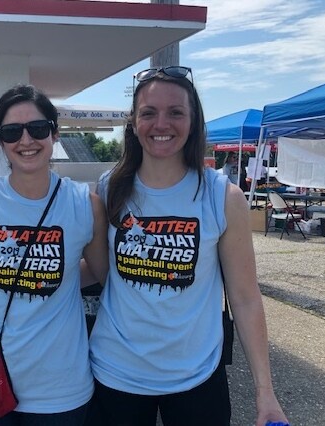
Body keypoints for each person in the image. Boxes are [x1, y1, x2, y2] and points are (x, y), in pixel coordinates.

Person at [88, 66, 289, 425]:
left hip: (198, 377)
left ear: (194, 121)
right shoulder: (108, 187)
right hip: (115, 374)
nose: (161, 124)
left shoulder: (222, 197)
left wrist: (266, 392)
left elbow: (245, 298)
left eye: (175, 112)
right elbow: (101, 271)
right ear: (133, 123)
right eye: (148, 113)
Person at [0, 84, 109, 425]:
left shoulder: (84, 206)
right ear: (0, 140)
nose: (26, 141)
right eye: (12, 132)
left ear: (54, 133)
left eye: (37, 129)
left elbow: (105, 275)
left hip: (60, 386)